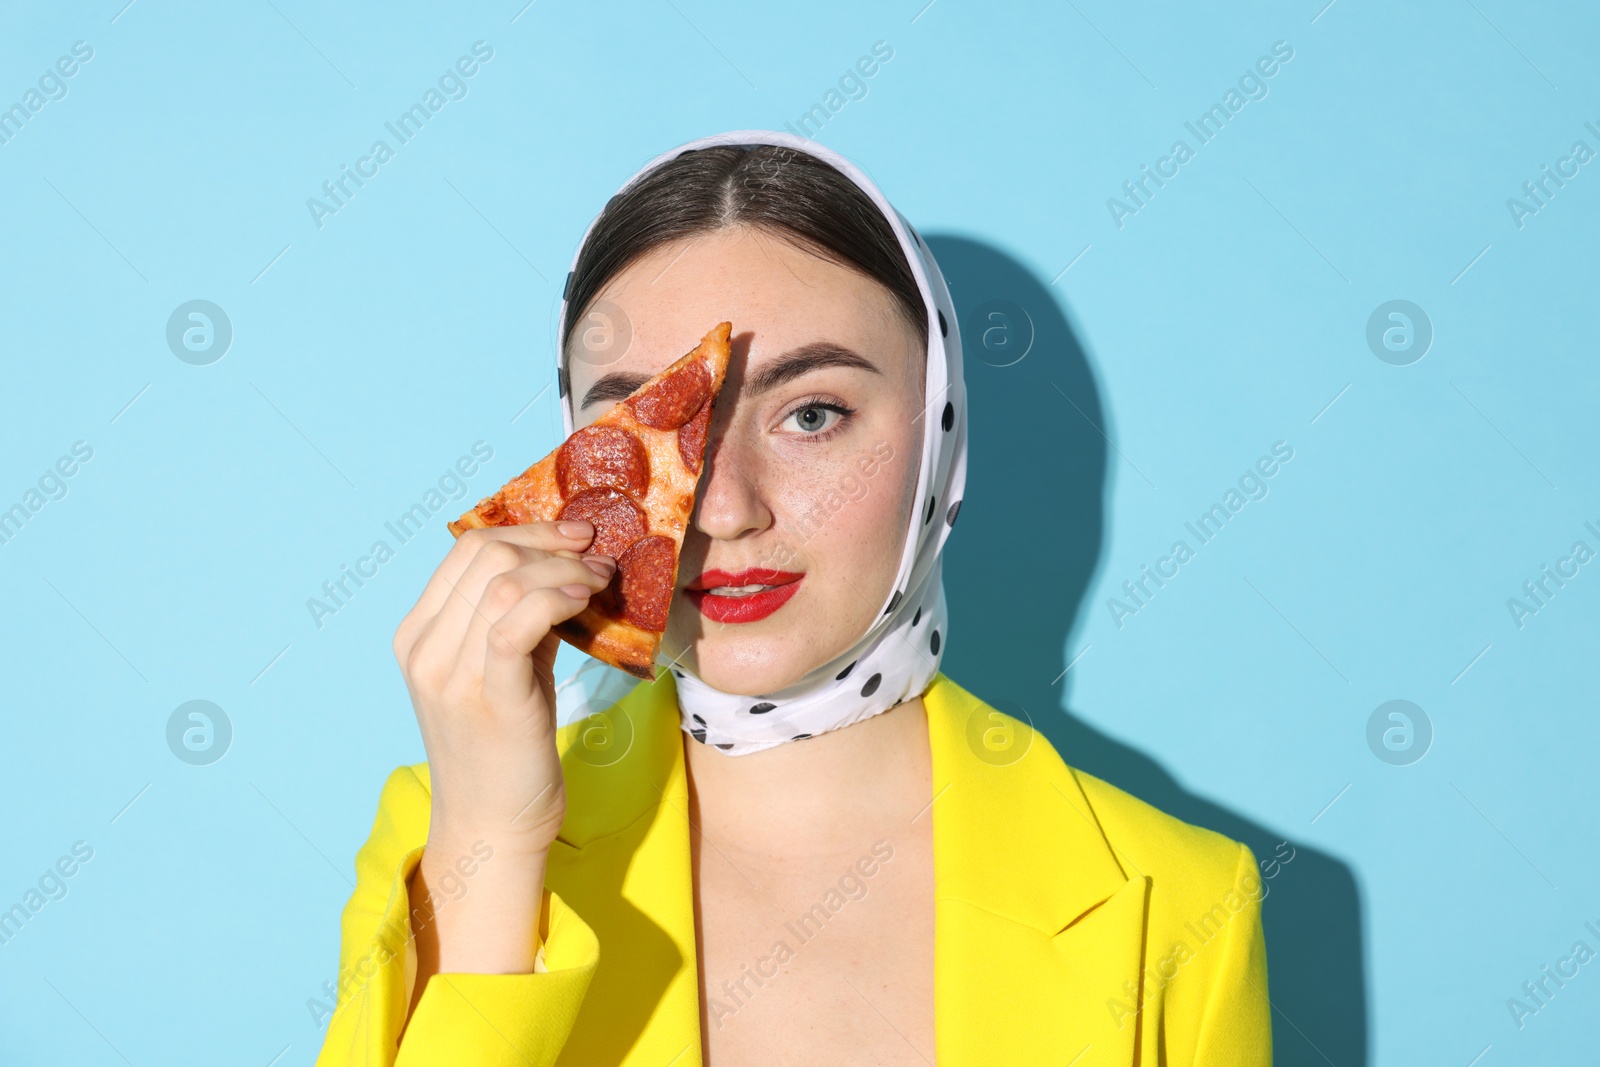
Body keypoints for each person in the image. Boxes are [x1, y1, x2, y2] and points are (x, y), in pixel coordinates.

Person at [315, 131, 1272, 1066]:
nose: (724, 510)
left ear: (941, 437)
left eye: (811, 414)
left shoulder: (1179, 899)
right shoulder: (442, 838)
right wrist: (495, 840)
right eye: (648, 433)